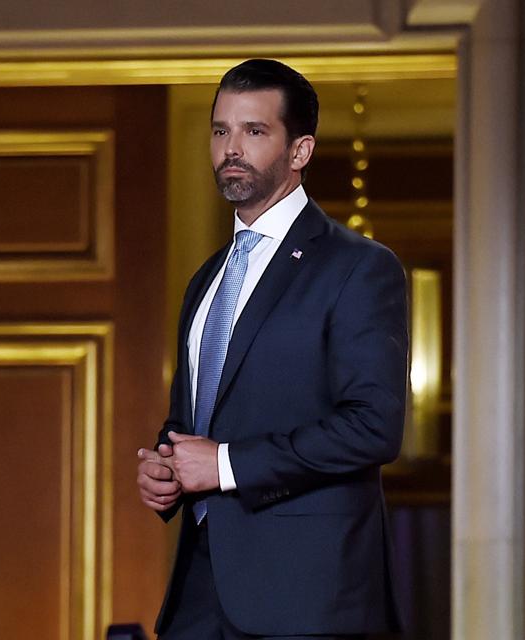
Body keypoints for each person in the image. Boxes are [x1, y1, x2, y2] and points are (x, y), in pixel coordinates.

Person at [136, 58, 408, 640]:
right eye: (220, 130)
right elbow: (198, 418)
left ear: (300, 150)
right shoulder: (206, 278)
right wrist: (167, 469)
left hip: (308, 600)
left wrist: (225, 464)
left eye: (254, 131)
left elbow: (373, 427)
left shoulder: (359, 267)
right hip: (199, 595)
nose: (231, 148)